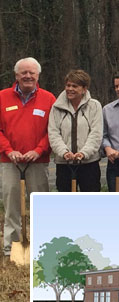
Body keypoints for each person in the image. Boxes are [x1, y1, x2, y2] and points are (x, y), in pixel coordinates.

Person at [0, 57, 55, 255]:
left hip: (37, 162)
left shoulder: (49, 98)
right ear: (16, 75)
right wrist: (8, 150)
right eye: (24, 72)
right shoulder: (2, 97)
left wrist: (39, 150)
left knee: (40, 205)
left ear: (38, 75)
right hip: (10, 162)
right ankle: (12, 248)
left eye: (32, 73)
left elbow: (53, 130)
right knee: (12, 205)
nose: (28, 76)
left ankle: (42, 246)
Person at [48, 69, 103, 192]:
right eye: (68, 85)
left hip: (89, 164)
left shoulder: (94, 106)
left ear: (84, 89)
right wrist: (64, 152)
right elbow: (53, 133)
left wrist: (84, 153)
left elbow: (96, 133)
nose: (70, 89)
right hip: (64, 164)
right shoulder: (56, 108)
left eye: (75, 86)